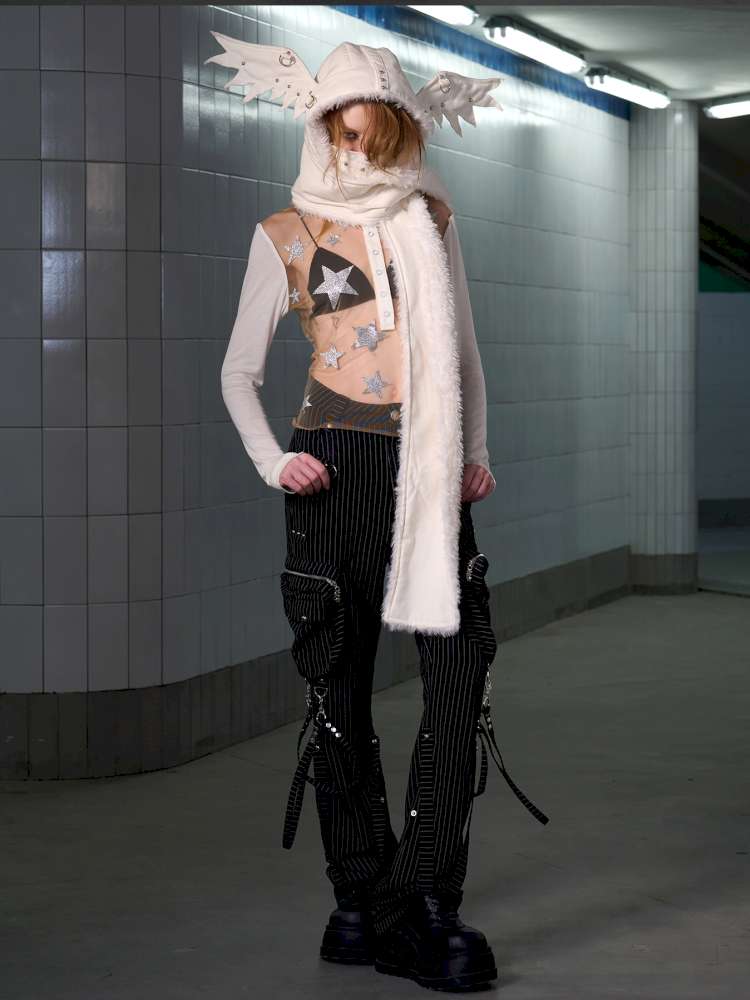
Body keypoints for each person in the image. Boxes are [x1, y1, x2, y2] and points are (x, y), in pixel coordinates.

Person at [210, 34, 548, 992]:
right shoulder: (287, 232)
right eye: (345, 134)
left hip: (428, 463)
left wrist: (477, 453)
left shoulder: (431, 219)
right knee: (339, 687)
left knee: (457, 677)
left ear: (401, 132)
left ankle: (425, 897)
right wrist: (274, 461)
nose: (359, 151)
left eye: (376, 135)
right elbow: (237, 371)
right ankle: (358, 897)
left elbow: (464, 355)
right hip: (334, 467)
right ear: (323, 130)